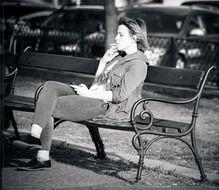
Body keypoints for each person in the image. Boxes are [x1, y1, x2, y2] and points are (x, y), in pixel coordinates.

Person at [16, 17, 150, 171]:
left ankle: (41, 153)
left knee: (49, 106)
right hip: (94, 96)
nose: (116, 38)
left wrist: (87, 94)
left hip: (109, 107)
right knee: (50, 87)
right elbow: (97, 85)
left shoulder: (138, 64)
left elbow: (118, 96)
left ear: (135, 38)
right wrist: (103, 62)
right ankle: (35, 135)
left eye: (121, 35)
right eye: (117, 34)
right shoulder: (119, 58)